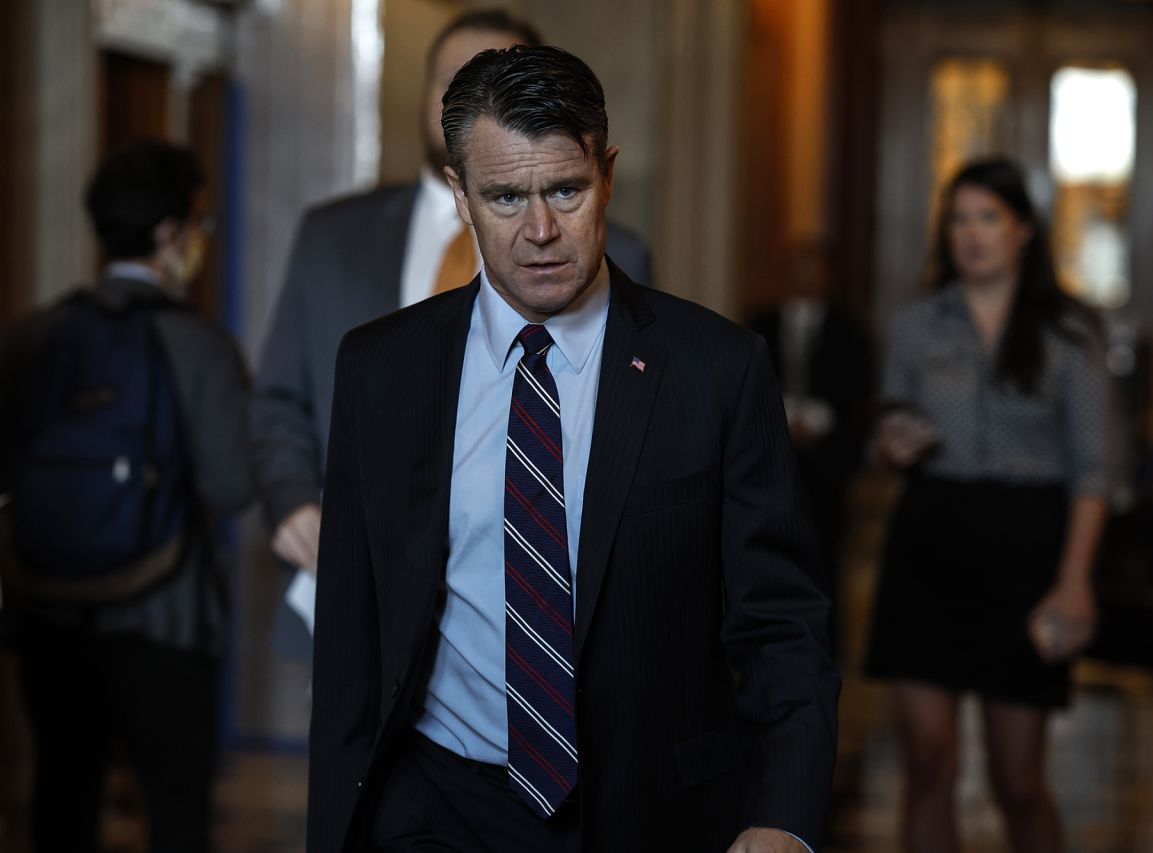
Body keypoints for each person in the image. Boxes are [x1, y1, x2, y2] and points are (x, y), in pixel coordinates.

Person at [306, 46, 839, 853]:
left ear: (608, 175)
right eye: (505, 197)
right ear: (459, 194)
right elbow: (350, 640)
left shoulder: (716, 370)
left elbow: (781, 622)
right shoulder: (382, 371)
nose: (541, 230)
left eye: (565, 189)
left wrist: (784, 817)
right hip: (436, 809)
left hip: (652, 812)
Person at [253, 10, 652, 663]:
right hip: (361, 590)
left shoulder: (616, 249)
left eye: (500, 77)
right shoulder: (333, 236)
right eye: (453, 79)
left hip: (548, 606)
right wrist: (295, 504)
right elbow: (277, 400)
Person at [0, 141, 253, 853]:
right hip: (165, 620)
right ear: (170, 234)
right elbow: (234, 485)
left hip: (48, 614)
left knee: (61, 800)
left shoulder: (31, 338)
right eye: (196, 227)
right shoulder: (199, 347)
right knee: (177, 814)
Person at [862, 157, 1110, 853]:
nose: (971, 234)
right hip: (929, 541)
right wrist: (892, 441)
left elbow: (1095, 472)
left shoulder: (1070, 333)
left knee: (1018, 780)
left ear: (1024, 230)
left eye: (988, 218)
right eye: (959, 219)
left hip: (1027, 551)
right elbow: (881, 436)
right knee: (929, 761)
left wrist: (1075, 580)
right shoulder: (917, 325)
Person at [750, 240, 871, 659]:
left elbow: (858, 398)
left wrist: (819, 423)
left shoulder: (849, 333)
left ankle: (825, 647)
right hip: (770, 460)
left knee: (826, 558)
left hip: (826, 467)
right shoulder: (759, 324)